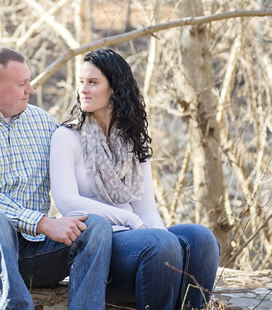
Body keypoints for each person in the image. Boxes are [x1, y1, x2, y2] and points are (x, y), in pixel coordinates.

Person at [0, 46, 112, 310]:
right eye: (23, 83)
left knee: (94, 226)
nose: (31, 90)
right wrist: (42, 222)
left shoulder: (43, 123)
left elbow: (81, 166)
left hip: (29, 253)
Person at [50, 48, 221, 310]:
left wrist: (165, 241)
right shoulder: (67, 137)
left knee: (202, 238)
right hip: (103, 249)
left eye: (93, 82)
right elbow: (67, 203)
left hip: (141, 239)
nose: (83, 89)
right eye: (81, 82)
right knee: (160, 242)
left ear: (114, 90)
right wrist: (133, 222)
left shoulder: (133, 139)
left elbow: (145, 207)